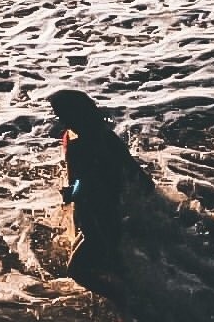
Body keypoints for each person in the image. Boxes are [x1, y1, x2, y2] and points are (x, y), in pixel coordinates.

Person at [49, 89, 150, 286]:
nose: (61, 121)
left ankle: (124, 302)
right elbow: (141, 178)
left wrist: (73, 192)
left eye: (63, 115)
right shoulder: (94, 136)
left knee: (78, 271)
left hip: (101, 218)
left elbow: (84, 181)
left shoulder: (89, 143)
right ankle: (129, 303)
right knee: (111, 268)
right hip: (96, 214)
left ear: (76, 114)